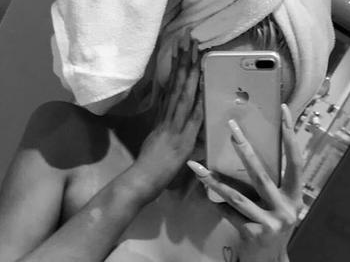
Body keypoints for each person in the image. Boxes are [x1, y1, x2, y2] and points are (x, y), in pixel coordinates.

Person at [0, 16, 304, 262]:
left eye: (253, 101)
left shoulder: (249, 220)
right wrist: (139, 182)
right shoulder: (70, 138)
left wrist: (270, 259)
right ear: (175, 59)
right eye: (217, 81)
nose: (225, 114)